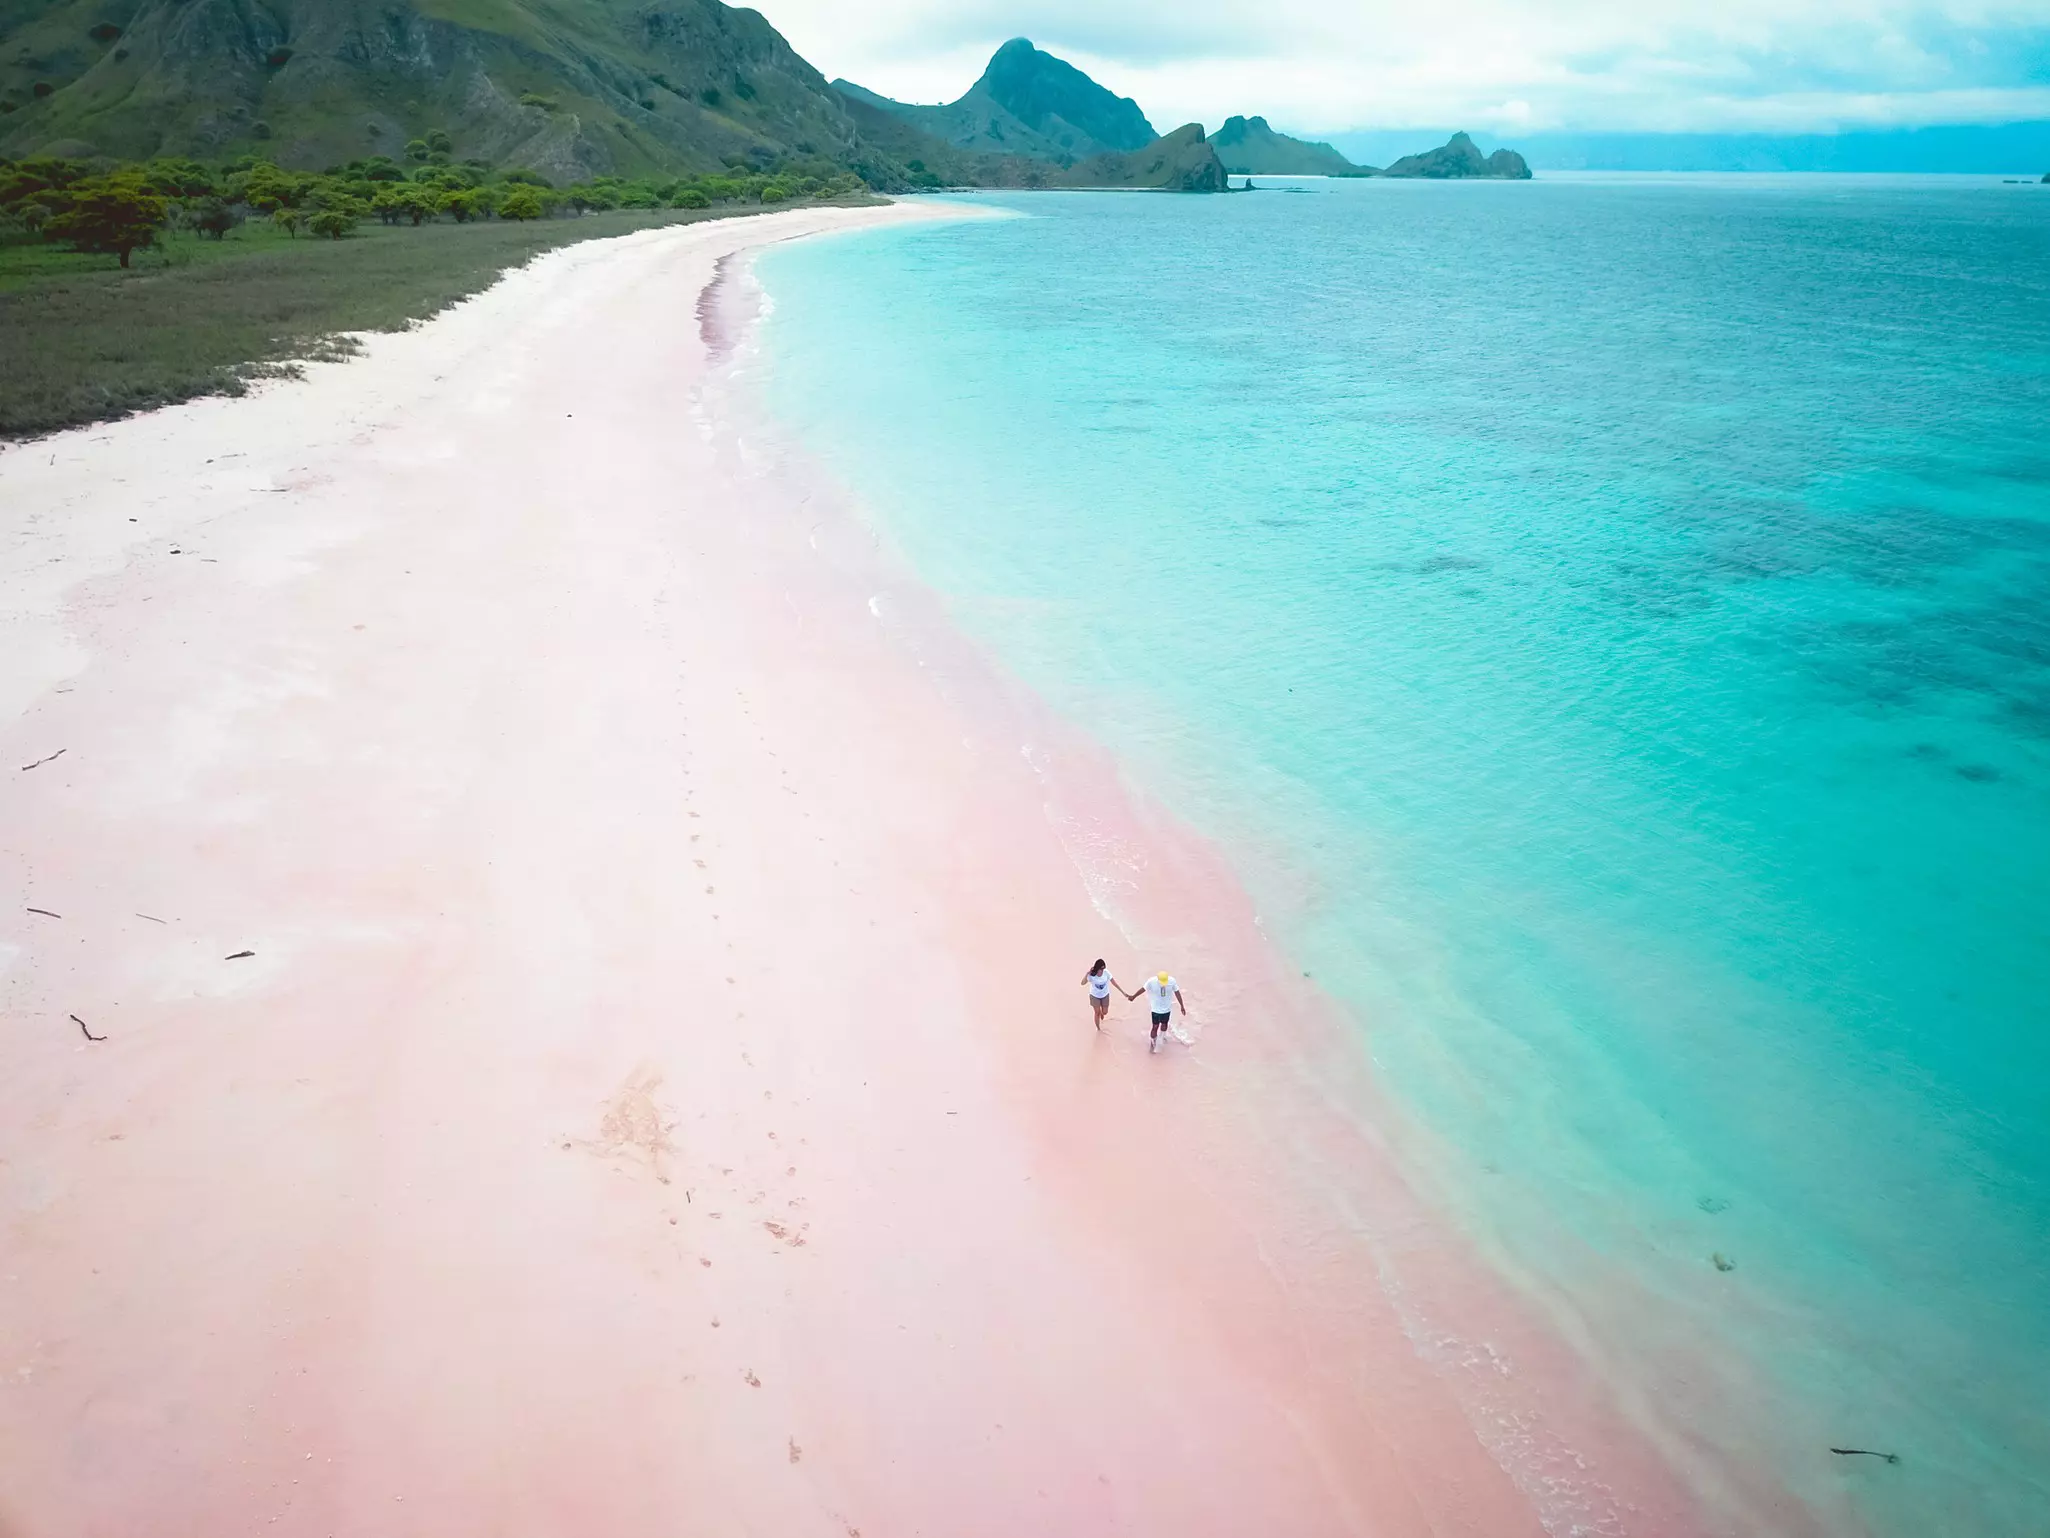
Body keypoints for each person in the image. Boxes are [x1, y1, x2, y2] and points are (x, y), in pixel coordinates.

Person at [1080, 958, 1133, 1031]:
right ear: (1097, 968)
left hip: (1105, 995)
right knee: (1096, 1013)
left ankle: (1101, 1012)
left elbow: (1114, 983)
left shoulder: (1106, 972)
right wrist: (1087, 974)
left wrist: (1123, 992)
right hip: (1094, 996)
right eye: (1101, 969)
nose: (1102, 971)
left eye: (1103, 969)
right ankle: (1098, 1028)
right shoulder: (1092, 975)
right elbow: (1082, 983)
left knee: (1105, 1012)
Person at [1142, 970, 1186, 1053]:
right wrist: (1133, 997)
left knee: (1164, 1024)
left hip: (1167, 1009)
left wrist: (1182, 1006)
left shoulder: (1172, 981)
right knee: (1155, 1026)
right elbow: (1143, 989)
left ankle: (1162, 1037)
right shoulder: (1151, 981)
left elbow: (1177, 993)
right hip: (1155, 1010)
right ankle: (1153, 1043)